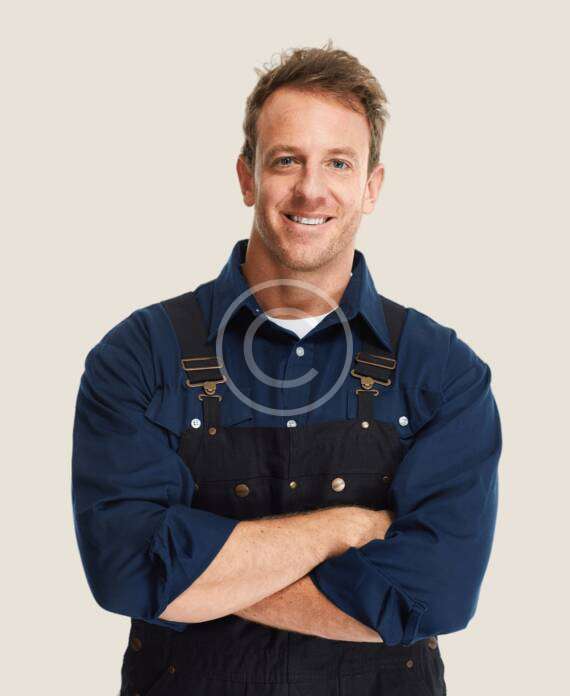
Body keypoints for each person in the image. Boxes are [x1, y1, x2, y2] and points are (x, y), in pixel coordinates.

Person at [72, 41, 501, 696]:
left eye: (338, 162)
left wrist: (198, 582)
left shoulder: (443, 372)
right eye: (285, 160)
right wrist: (345, 529)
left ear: (371, 186)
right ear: (246, 177)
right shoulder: (138, 357)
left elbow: (434, 595)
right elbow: (126, 570)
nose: (310, 188)